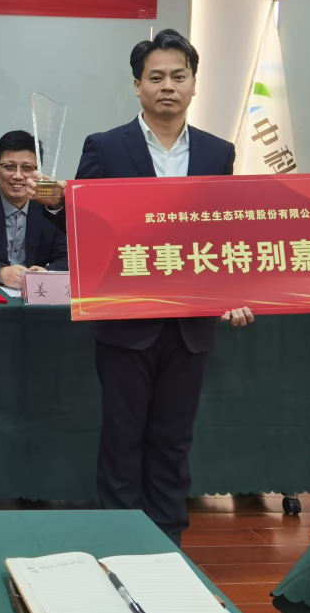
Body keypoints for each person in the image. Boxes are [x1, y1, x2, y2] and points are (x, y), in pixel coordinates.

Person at [41, 28, 254, 548]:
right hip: (124, 320)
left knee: (173, 438)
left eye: (178, 76)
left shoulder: (218, 152)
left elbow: (225, 232)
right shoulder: (105, 146)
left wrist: (235, 291)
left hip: (190, 324)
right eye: (155, 77)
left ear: (194, 83)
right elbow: (83, 227)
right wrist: (59, 202)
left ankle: (167, 539)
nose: (168, 86)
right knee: (122, 435)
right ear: (137, 86)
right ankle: (119, 538)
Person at [0, 130, 68, 286]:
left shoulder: (50, 208)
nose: (18, 176)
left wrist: (46, 273)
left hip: (37, 293)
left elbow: (68, 258)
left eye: (27, 168)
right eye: (9, 167)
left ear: (38, 172)